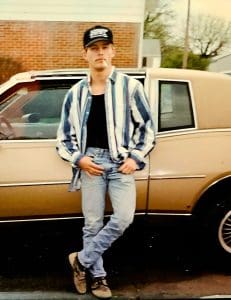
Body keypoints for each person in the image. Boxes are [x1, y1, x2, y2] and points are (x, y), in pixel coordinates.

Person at [56, 25, 155, 299]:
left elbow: (147, 127)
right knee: (92, 223)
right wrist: (79, 159)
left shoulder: (130, 87)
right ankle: (98, 278)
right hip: (91, 164)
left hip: (121, 162)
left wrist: (135, 158)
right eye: (93, 49)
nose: (99, 53)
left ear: (112, 51)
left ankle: (81, 260)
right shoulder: (75, 94)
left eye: (104, 47)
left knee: (123, 217)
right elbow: (63, 137)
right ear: (85, 54)